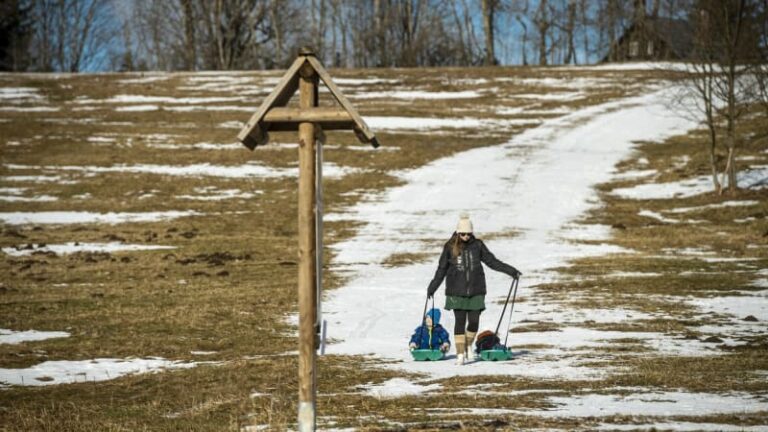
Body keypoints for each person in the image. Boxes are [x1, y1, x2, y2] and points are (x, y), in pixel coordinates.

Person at [427, 213, 521, 365]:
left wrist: (511, 271)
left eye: (468, 234)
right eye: (463, 234)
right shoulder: (450, 247)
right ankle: (459, 355)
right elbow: (441, 269)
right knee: (459, 321)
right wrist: (432, 287)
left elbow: (492, 261)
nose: (465, 236)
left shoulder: (477, 245)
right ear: (458, 232)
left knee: (473, 322)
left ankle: (468, 344)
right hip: (456, 291)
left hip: (476, 290)